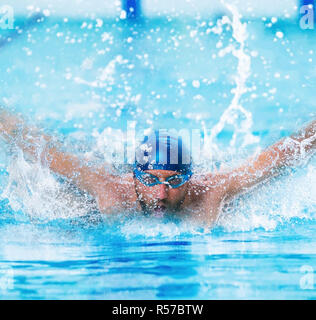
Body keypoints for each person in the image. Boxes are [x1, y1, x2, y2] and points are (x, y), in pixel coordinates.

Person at [0, 107, 316, 226]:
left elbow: (282, 155)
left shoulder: (210, 191)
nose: (161, 194)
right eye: (150, 180)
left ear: (190, 178)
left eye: (175, 180)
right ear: (134, 176)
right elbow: (40, 147)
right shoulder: (109, 189)